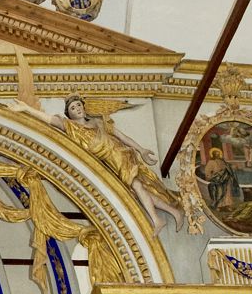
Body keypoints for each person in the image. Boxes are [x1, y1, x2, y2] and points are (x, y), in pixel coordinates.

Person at [49, 95, 184, 233]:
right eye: (72, 108)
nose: (77, 108)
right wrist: (27, 109)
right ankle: (173, 212)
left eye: (78, 105)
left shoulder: (98, 122)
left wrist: (141, 150)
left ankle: (157, 220)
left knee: (136, 186)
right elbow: (52, 120)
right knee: (138, 190)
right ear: (68, 114)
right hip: (110, 165)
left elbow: (121, 136)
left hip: (119, 155)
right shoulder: (72, 128)